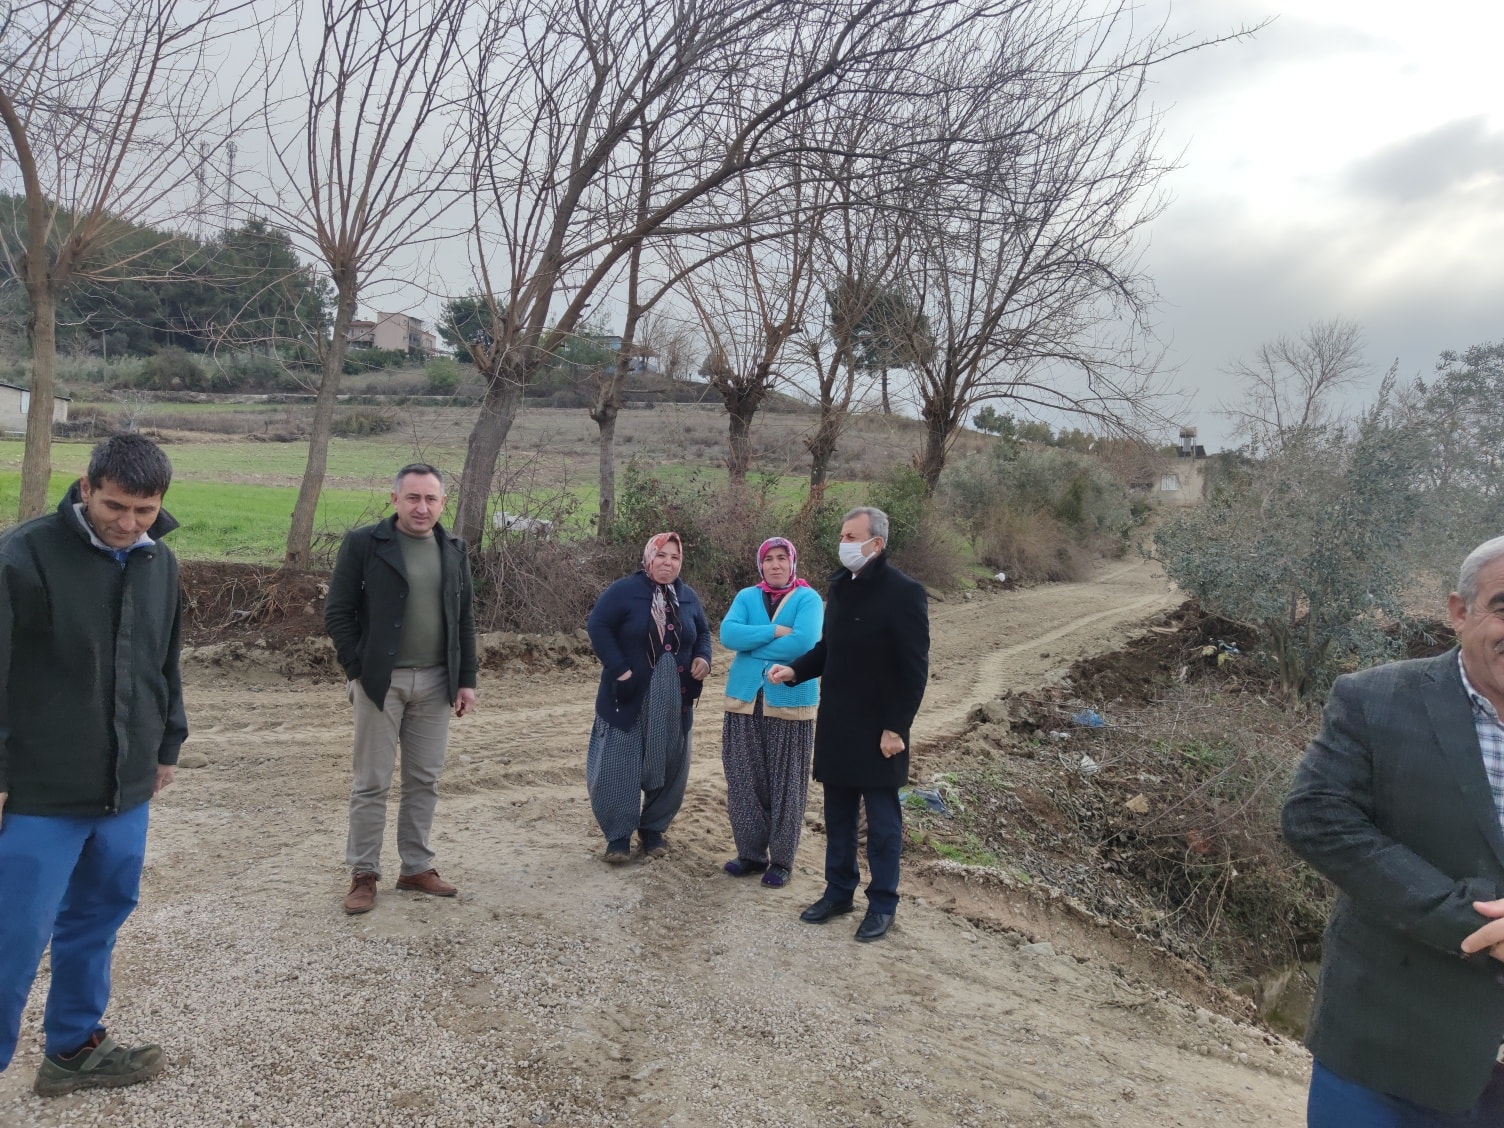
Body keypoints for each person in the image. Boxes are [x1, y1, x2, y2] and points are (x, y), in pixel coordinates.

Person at [1282, 534, 1504, 1125]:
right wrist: (1474, 919)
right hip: (1388, 1055)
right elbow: (1318, 818)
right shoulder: (1375, 701)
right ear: (1460, 612)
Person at [0, 434, 185, 1096]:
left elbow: (165, 663)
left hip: (124, 790)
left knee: (97, 919)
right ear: (86, 487)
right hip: (36, 794)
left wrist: (167, 746)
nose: (128, 523)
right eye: (115, 506)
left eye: (143, 510)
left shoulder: (158, 562)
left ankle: (73, 1049)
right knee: (10, 940)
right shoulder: (23, 556)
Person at [769, 506, 928, 942]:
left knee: (881, 824)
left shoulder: (904, 592)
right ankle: (838, 891)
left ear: (876, 544)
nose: (844, 544)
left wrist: (897, 727)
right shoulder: (840, 588)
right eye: (842, 535)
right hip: (838, 722)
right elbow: (828, 649)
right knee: (837, 816)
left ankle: (882, 904)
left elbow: (915, 669)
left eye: (852, 536)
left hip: (881, 730)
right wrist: (795, 670)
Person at [325, 462, 477, 915]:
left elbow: (464, 619)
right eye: (413, 497)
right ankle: (363, 874)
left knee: (424, 780)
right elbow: (338, 613)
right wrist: (359, 669)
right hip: (379, 683)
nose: (422, 507)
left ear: (443, 503)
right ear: (394, 499)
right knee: (371, 782)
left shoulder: (454, 548)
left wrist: (466, 679)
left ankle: (415, 866)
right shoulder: (363, 545)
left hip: (436, 683)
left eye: (431, 498)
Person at [585, 532, 711, 862]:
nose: (668, 563)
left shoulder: (688, 597)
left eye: (675, 557)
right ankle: (618, 837)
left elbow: (703, 634)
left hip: (673, 698)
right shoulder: (625, 591)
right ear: (649, 557)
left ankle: (653, 830)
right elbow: (598, 626)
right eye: (662, 556)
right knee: (618, 763)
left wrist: (703, 659)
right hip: (628, 696)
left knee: (670, 764)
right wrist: (619, 669)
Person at [719, 537, 823, 888]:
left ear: (792, 563)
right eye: (769, 559)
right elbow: (728, 635)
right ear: (760, 565)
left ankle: (780, 860)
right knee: (744, 779)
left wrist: (754, 645)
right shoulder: (746, 597)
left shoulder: (809, 599)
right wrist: (774, 632)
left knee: (786, 782)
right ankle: (750, 854)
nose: (775, 565)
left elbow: (805, 642)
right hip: (744, 700)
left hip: (791, 701)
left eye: (782, 558)